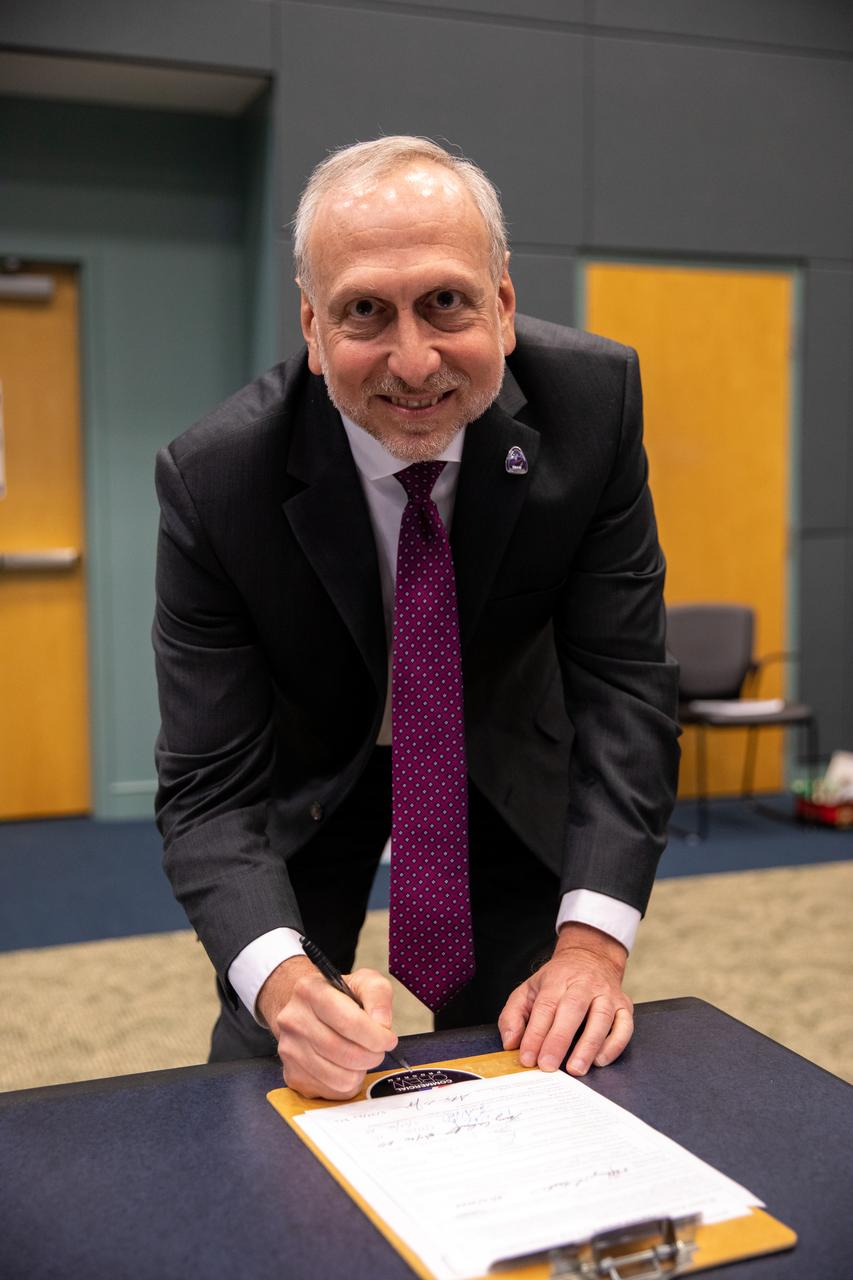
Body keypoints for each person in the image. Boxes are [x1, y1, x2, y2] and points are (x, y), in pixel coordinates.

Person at [153, 136, 680, 1101]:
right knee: (276, 1071)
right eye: (363, 311)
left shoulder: (591, 409)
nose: (413, 360)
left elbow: (624, 689)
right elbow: (207, 789)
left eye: (446, 301)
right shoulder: (217, 480)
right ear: (312, 330)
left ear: (505, 307)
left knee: (544, 1061)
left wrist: (592, 945)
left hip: (503, 758)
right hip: (312, 771)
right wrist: (283, 989)